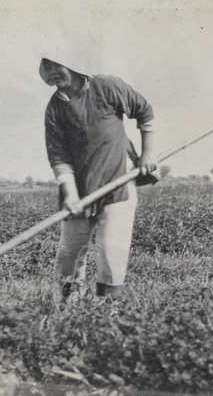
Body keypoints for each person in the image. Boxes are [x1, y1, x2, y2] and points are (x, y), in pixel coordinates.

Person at [39, 55, 157, 300]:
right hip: (79, 187)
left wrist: (147, 154)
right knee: (68, 253)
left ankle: (107, 311)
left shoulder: (106, 86)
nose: (51, 73)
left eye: (55, 64)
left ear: (71, 60)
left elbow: (144, 111)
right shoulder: (55, 108)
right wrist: (71, 195)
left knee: (112, 251)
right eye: (45, 67)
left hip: (118, 180)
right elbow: (58, 156)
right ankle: (68, 305)